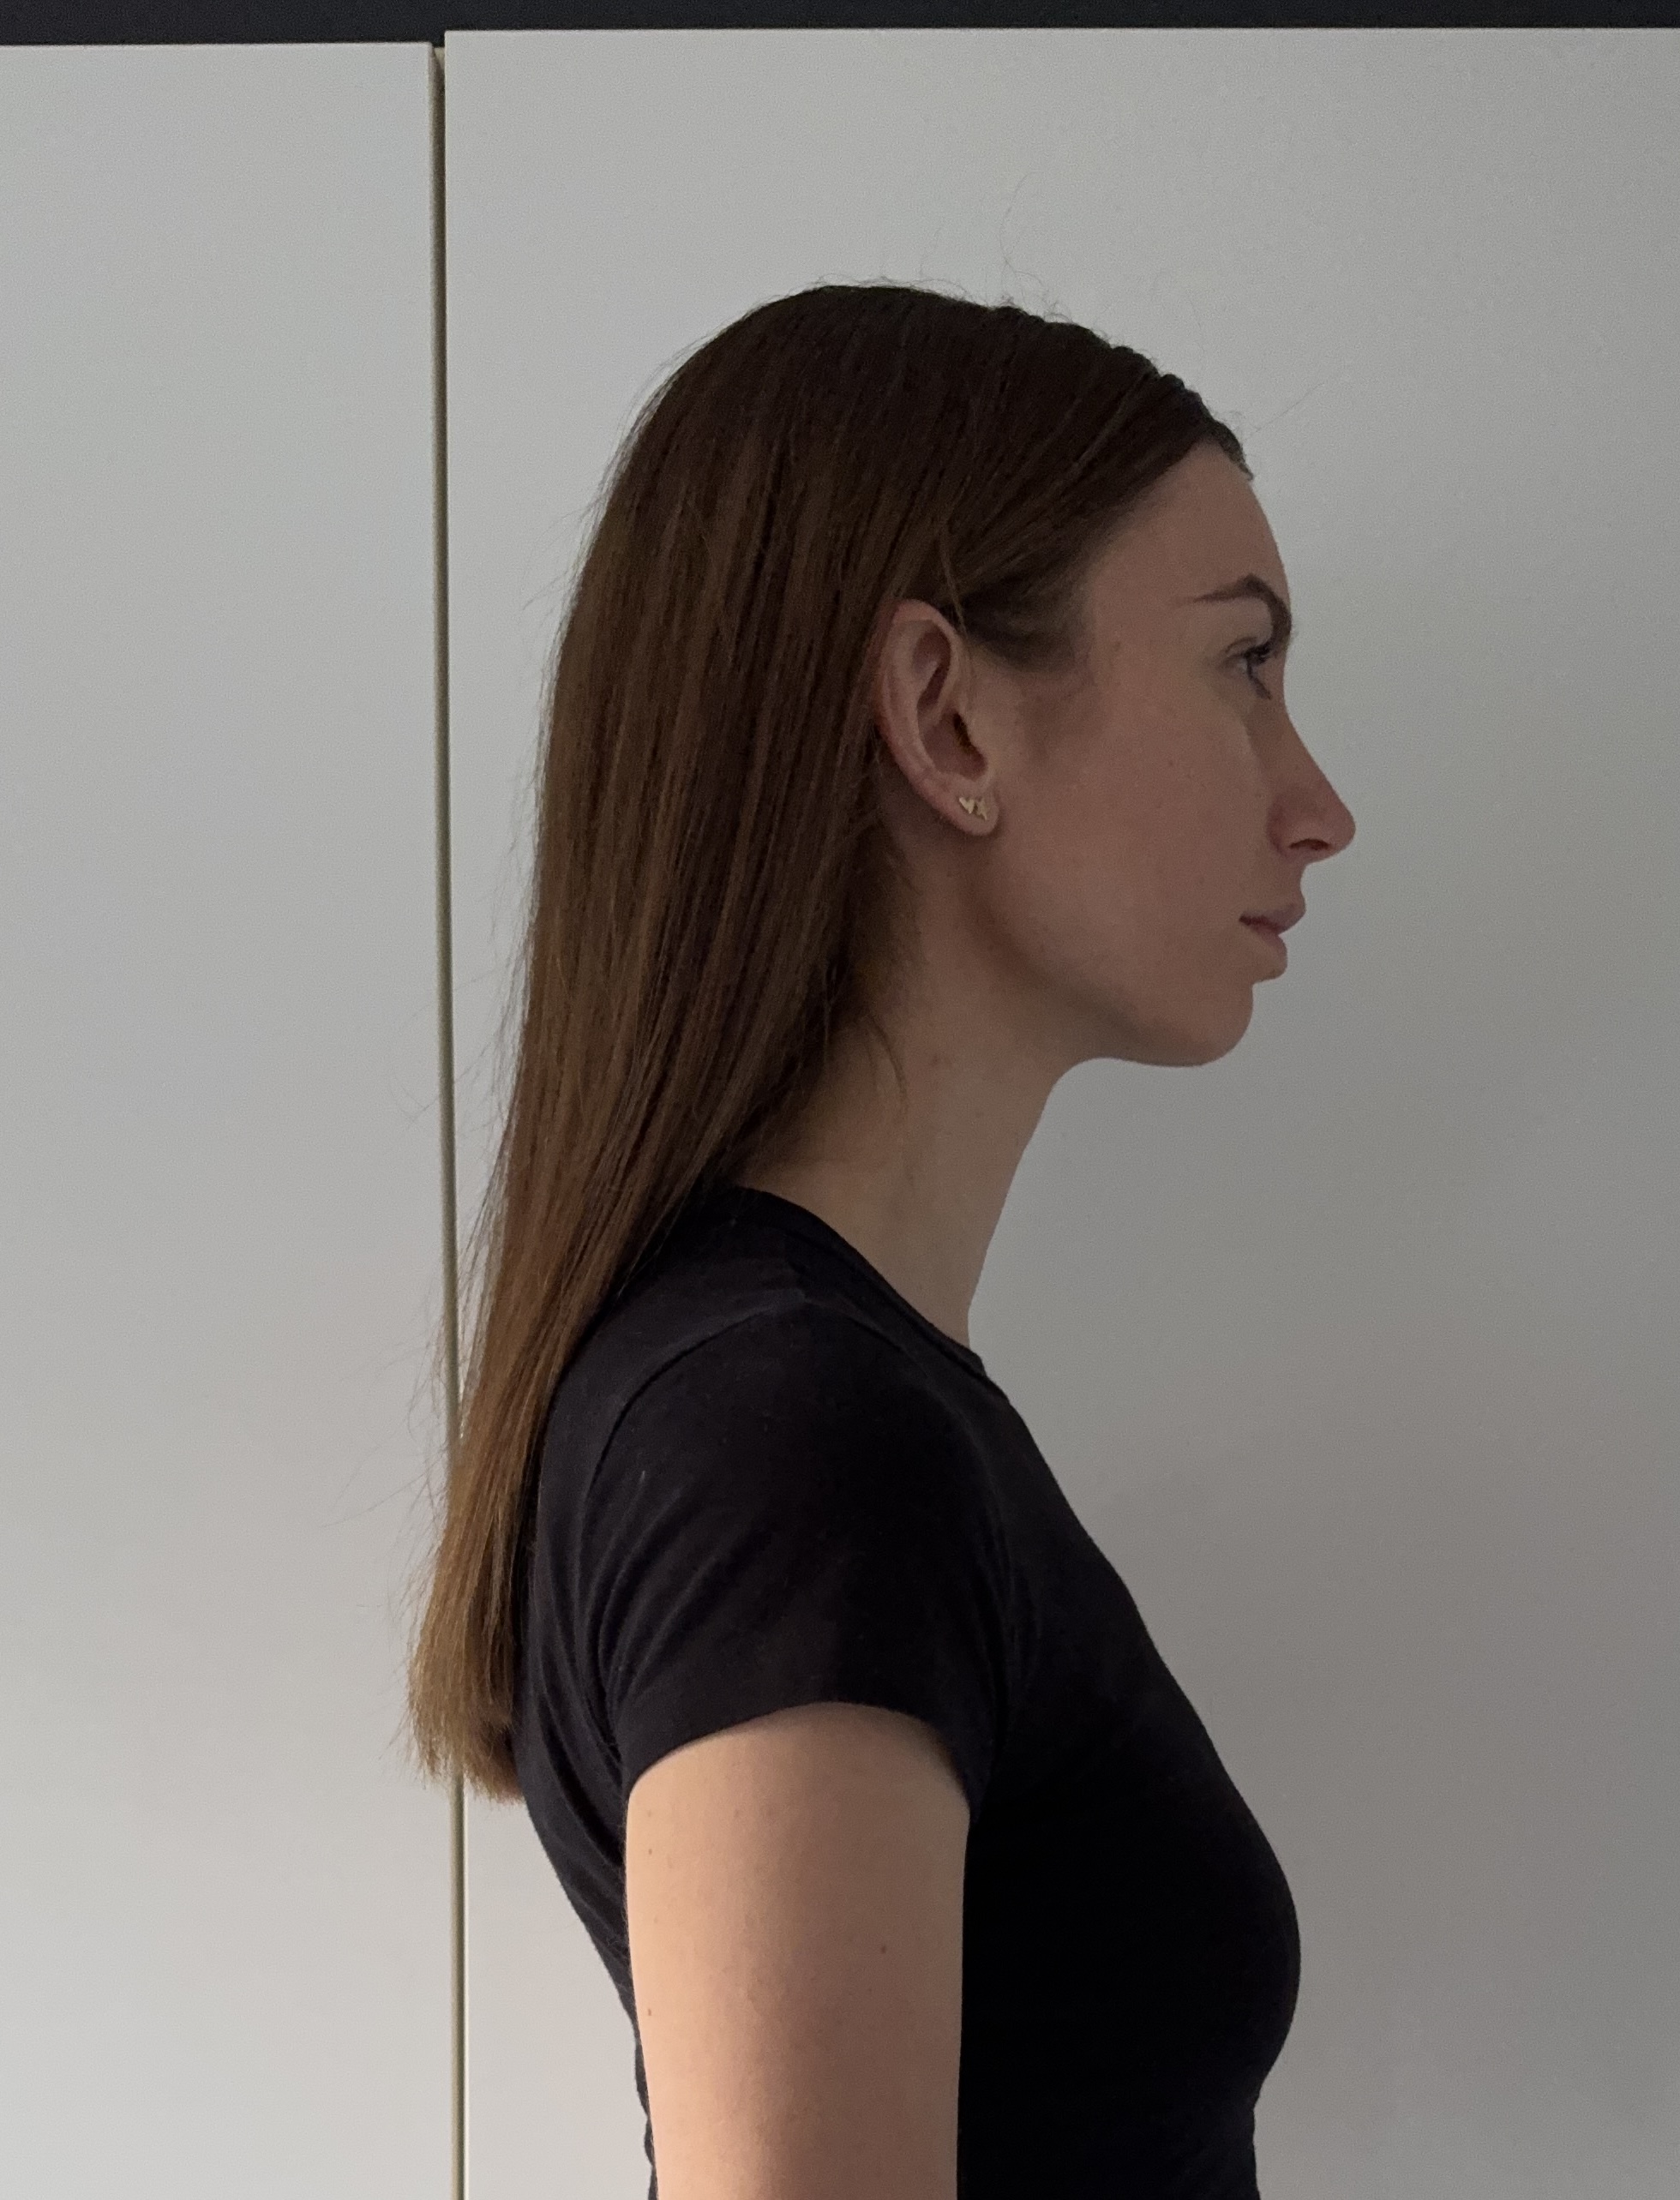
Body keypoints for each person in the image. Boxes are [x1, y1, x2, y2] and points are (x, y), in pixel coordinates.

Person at [405, 279, 1354, 2200]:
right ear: (944, 714)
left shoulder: (810, 1408)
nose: (1316, 805)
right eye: (1242, 664)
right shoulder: (791, 1443)